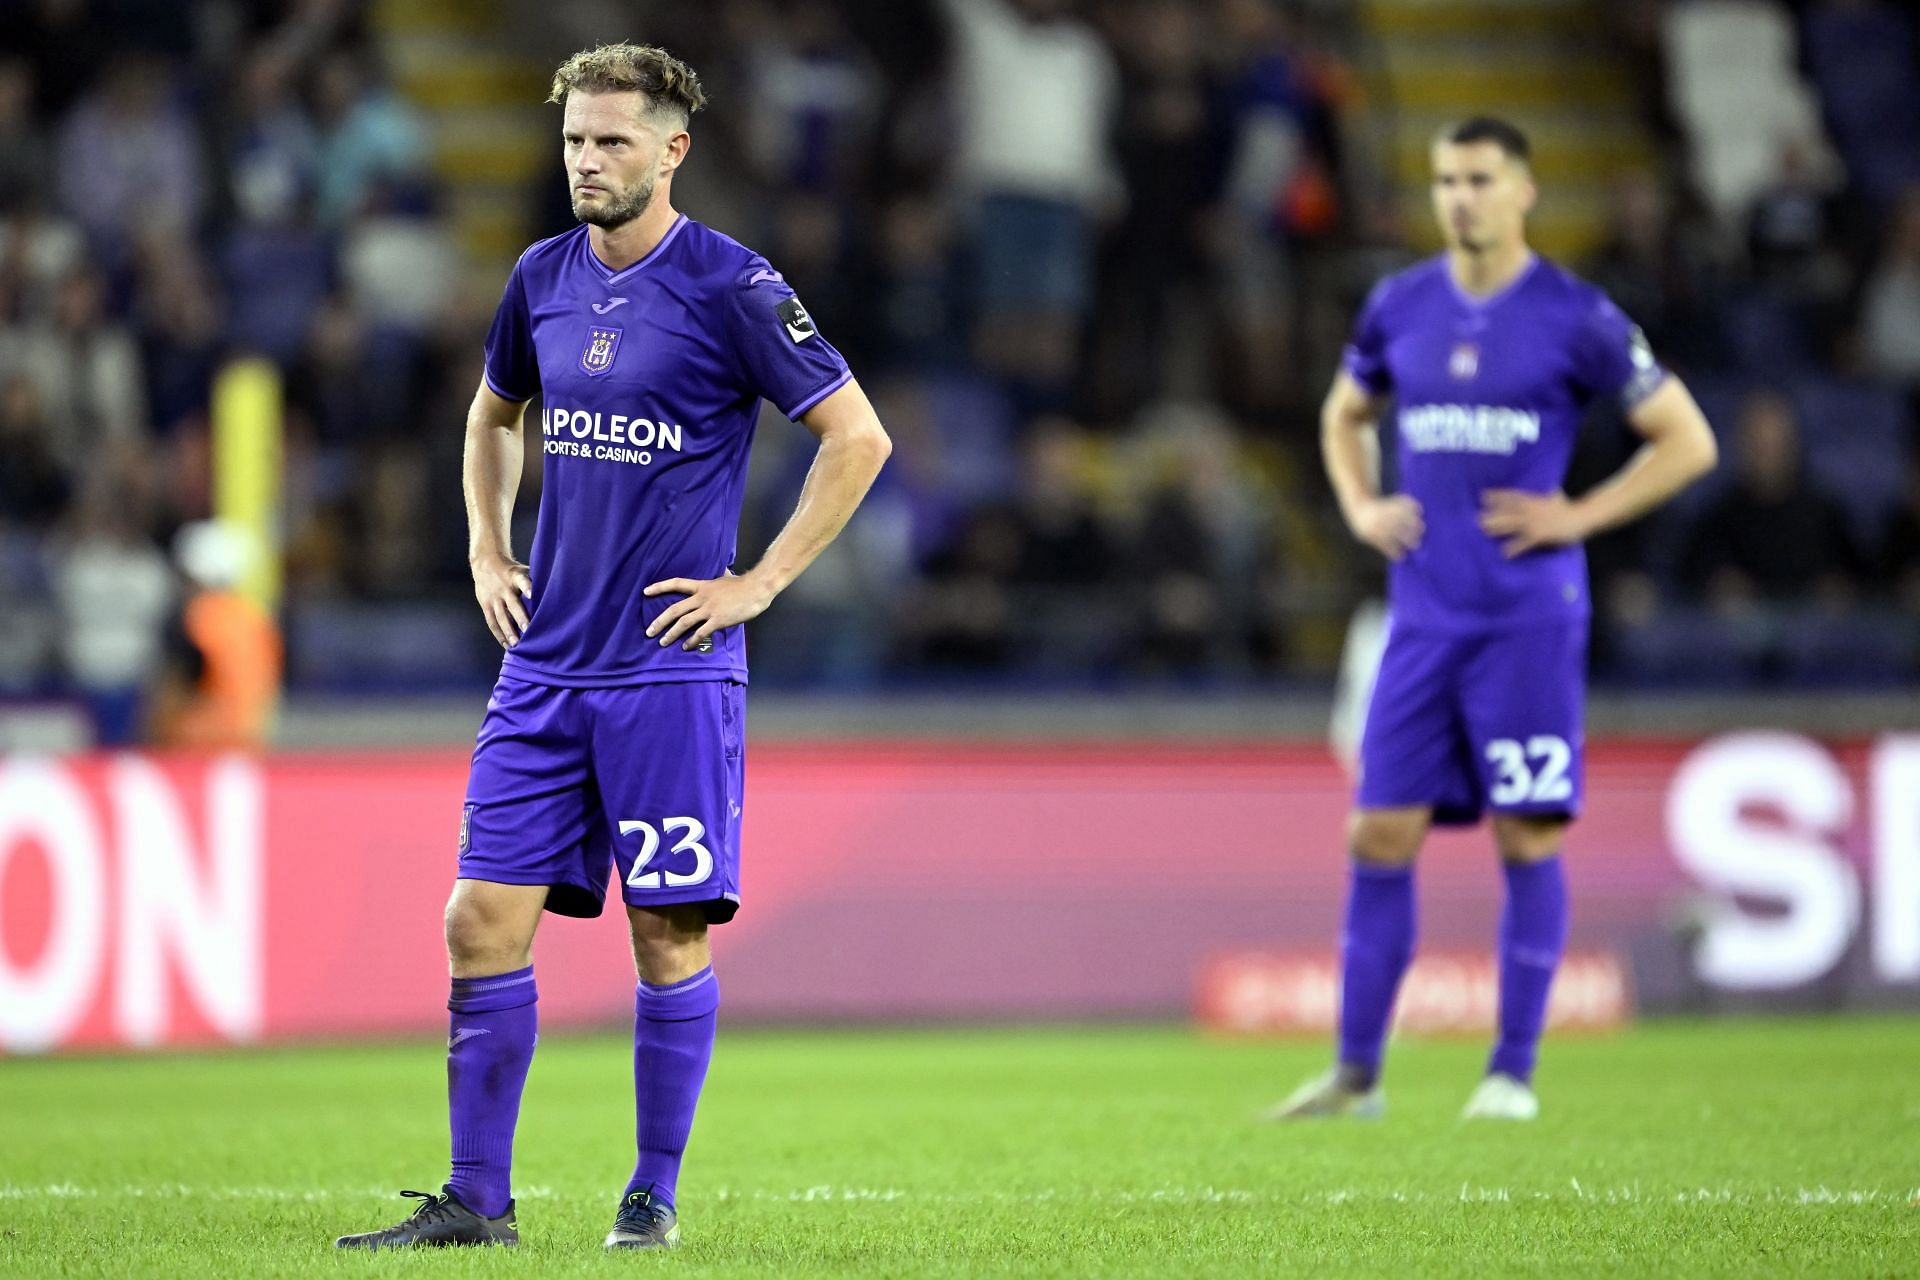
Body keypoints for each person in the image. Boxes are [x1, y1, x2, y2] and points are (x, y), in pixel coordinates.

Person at [334, 43, 891, 1251]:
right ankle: (479, 1198)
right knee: (478, 919)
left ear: (672, 150)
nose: (587, 161)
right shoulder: (538, 277)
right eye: (577, 140)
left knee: (664, 928)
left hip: (670, 668)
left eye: (613, 142)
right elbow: (493, 416)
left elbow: (857, 437)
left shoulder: (736, 287)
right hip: (543, 666)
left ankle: (652, 1189)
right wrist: (487, 546)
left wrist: (761, 581)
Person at [1273, 118, 1716, 1122]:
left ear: (1524, 191)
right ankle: (1356, 1075)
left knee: (1527, 832)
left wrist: (1581, 514)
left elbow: (1688, 440)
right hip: (1422, 617)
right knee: (1379, 827)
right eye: (1443, 180)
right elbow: (1343, 412)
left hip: (1527, 618)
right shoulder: (1399, 306)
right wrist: (1356, 506)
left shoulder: (1579, 316)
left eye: (1478, 178)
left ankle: (1511, 1071)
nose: (1459, 197)